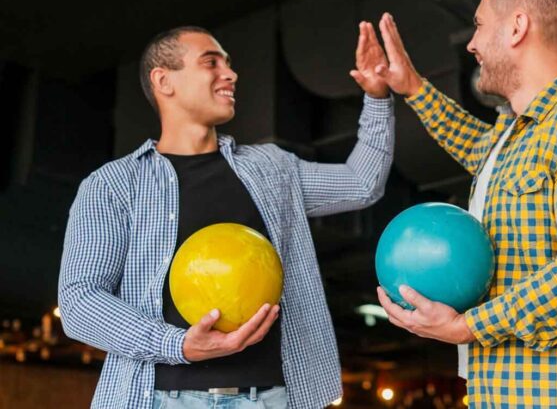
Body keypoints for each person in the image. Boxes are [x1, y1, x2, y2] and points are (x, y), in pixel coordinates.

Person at [58, 24, 394, 409]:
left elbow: (362, 183)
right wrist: (179, 344)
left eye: (229, 64)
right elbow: (80, 301)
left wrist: (376, 97)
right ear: (164, 80)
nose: (231, 74)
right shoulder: (113, 185)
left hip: (272, 400)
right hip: (158, 400)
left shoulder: (272, 168)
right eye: (210, 63)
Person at [371, 0, 557, 408]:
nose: (473, 43)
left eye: (479, 25)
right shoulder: (511, 135)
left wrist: (470, 327)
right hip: (496, 390)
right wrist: (413, 87)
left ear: (517, 26)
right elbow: (471, 142)